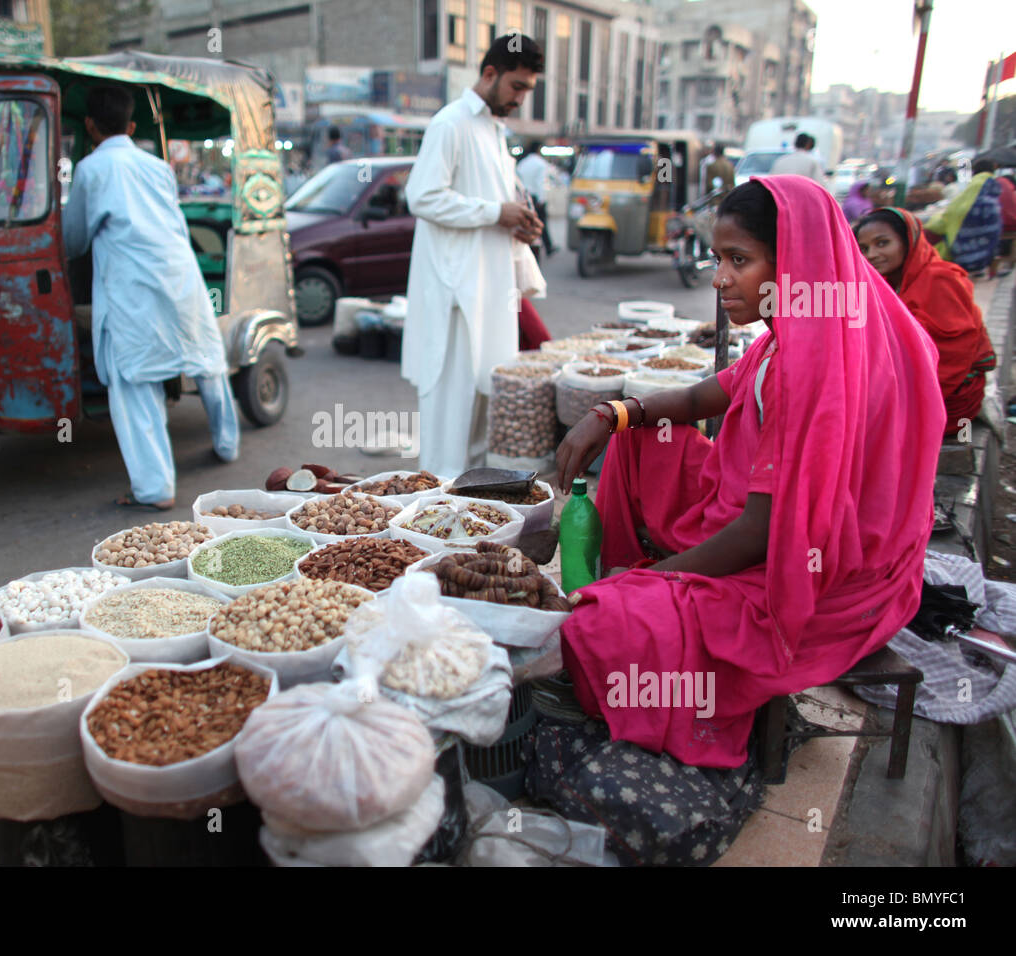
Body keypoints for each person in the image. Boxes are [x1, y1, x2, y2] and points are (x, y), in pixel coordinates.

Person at [552, 176, 944, 768]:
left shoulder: (814, 370)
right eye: (717, 259)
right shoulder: (791, 336)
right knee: (642, 439)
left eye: (740, 260)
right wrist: (611, 413)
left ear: (795, 265)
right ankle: (648, 581)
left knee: (599, 628)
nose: (719, 279)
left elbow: (764, 533)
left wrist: (652, 585)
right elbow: (697, 400)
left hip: (809, 563)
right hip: (756, 519)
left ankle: (653, 592)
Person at [63, 85, 240, 510]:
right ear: (133, 125)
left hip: (132, 288)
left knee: (133, 380)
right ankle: (227, 444)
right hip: (179, 275)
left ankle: (155, 489)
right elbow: (175, 223)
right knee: (205, 360)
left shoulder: (90, 170)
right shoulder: (158, 167)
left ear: (89, 125)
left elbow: (73, 239)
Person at [403, 33, 545, 477]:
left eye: (527, 90)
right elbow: (422, 197)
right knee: (451, 420)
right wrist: (494, 212)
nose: (521, 98)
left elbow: (500, 205)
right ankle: (434, 523)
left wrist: (521, 223)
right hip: (455, 298)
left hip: (491, 294)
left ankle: (475, 522)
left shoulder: (495, 132)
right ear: (490, 74)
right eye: (517, 87)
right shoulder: (451, 123)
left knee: (484, 412)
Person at [855, 207, 994, 435]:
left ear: (908, 241)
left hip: (950, 395)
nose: (871, 254)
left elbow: (954, 352)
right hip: (915, 385)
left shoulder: (940, 279)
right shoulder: (889, 284)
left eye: (882, 243)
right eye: (864, 248)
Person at [924, 158, 1003, 275]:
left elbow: (951, 214)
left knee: (927, 233)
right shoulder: (992, 187)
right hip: (988, 243)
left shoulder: (975, 187)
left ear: (974, 172)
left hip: (960, 243)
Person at [517, 141, 557, 255]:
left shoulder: (523, 163)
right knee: (540, 224)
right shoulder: (540, 163)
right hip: (534, 197)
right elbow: (540, 183)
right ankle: (546, 247)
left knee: (528, 225)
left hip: (523, 197)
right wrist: (542, 199)